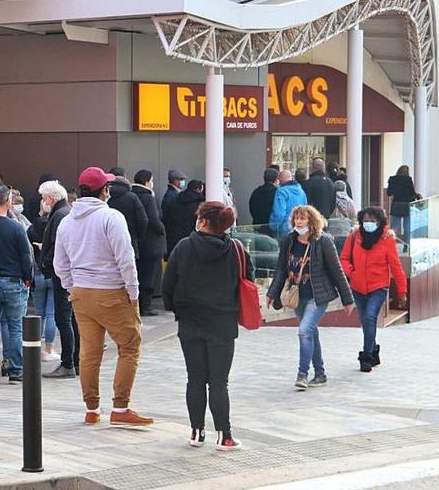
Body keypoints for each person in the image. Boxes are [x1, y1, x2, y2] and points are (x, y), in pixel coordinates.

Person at [54, 166, 154, 426]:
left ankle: (91, 408)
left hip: (81, 293)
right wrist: (134, 292)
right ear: (104, 191)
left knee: (89, 352)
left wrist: (70, 287)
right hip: (112, 291)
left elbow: (59, 263)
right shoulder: (111, 217)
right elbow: (126, 258)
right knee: (130, 346)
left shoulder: (66, 221)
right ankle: (120, 408)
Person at [162, 201, 254, 451]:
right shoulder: (236, 250)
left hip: (190, 322)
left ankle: (196, 432)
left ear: (203, 221)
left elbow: (167, 286)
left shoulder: (183, 248)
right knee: (218, 381)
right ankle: (225, 436)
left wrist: (178, 310)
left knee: (195, 379)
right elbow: (248, 282)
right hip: (223, 323)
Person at [266, 205, 354, 390]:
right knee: (311, 332)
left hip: (318, 296)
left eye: (303, 219)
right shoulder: (288, 241)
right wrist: (272, 293)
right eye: (296, 218)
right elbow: (281, 269)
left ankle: (302, 374)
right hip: (297, 295)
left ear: (312, 222)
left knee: (304, 331)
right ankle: (320, 373)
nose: (299, 222)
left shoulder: (324, 242)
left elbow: (337, 271)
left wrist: (347, 299)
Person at [340, 207, 407, 372]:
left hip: (378, 287)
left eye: (372, 221)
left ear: (379, 222)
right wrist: (351, 273)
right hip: (358, 286)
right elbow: (344, 258)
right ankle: (374, 350)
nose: (368, 224)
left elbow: (396, 266)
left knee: (370, 318)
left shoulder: (387, 239)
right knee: (365, 322)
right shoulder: (354, 236)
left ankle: (366, 356)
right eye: (366, 221)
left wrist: (402, 292)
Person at [0, 185, 33, 384]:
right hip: (13, 282)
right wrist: (28, 277)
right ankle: (16, 370)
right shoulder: (16, 227)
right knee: (15, 327)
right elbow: (26, 257)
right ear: (9, 202)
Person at [40, 180, 79, 379]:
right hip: (65, 273)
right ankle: (74, 361)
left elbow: (56, 246)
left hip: (62, 274)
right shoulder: (63, 213)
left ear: (51, 198)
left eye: (43, 197)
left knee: (64, 318)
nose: (42, 201)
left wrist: (45, 264)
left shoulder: (60, 215)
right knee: (69, 318)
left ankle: (69, 363)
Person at [28, 183, 60, 360]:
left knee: (38, 312)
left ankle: (36, 348)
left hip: (38, 272)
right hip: (53, 271)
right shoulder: (57, 222)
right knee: (51, 313)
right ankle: (49, 349)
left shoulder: (34, 227)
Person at [131, 170, 166, 316]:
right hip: (150, 244)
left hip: (135, 242)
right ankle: (146, 306)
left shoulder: (131, 195)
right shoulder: (148, 197)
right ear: (146, 181)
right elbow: (153, 219)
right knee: (148, 276)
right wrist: (162, 229)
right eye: (151, 180)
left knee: (137, 274)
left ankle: (136, 305)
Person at [107, 176, 148, 258]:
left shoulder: (106, 197)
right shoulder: (132, 197)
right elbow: (143, 220)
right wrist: (137, 236)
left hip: (108, 243)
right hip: (130, 241)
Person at [164, 180, 205, 258]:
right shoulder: (200, 204)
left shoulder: (177, 199)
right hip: (192, 239)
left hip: (176, 238)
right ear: (198, 189)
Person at [270, 170, 308, 237]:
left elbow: (279, 214)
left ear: (281, 179)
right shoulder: (301, 191)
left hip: (285, 230)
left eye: (279, 179)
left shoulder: (281, 191)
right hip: (299, 229)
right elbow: (306, 209)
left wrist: (272, 227)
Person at [386, 165, 418, 243]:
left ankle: (389, 243)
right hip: (407, 204)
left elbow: (389, 193)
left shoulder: (392, 179)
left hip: (397, 204)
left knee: (394, 226)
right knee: (407, 227)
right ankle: (406, 245)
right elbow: (412, 192)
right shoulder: (408, 179)